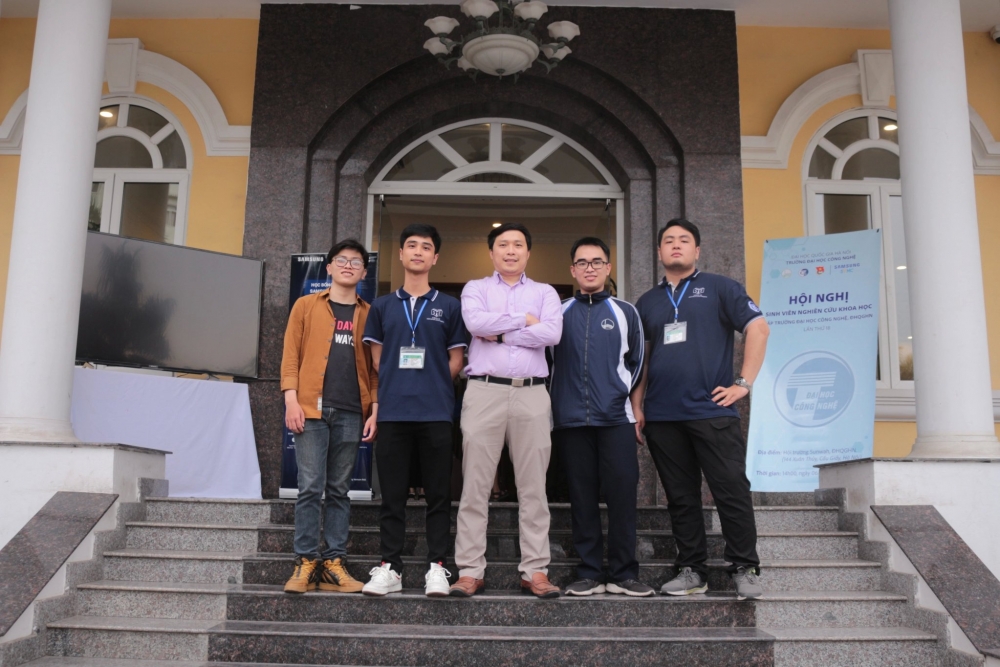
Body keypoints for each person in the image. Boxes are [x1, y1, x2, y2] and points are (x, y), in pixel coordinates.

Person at [631, 218, 770, 601]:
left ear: (697, 250)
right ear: (659, 251)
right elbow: (643, 359)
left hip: (712, 411)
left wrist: (743, 384)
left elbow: (758, 328)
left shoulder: (721, 288)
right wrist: (637, 405)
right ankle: (692, 570)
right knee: (681, 497)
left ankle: (745, 567)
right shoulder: (647, 302)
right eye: (668, 240)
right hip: (662, 416)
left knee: (731, 491)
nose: (676, 245)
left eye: (684, 240)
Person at [451, 222, 564, 599]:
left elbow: (552, 334)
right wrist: (525, 321)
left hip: (532, 394)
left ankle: (536, 571)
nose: (511, 250)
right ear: (491, 252)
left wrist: (498, 333)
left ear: (528, 252)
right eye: (503, 244)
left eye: (518, 244)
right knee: (475, 486)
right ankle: (470, 570)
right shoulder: (476, 288)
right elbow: (475, 323)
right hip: (484, 391)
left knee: (534, 488)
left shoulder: (545, 292)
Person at [361, 224, 468, 598]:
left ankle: (437, 567)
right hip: (393, 412)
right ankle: (390, 567)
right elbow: (378, 360)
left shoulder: (449, 306)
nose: (418, 252)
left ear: (435, 257)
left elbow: (456, 360)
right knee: (392, 496)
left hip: (436, 411)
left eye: (426, 247)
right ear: (401, 254)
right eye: (411, 245)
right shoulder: (381, 306)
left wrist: (431, 382)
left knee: (438, 495)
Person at [549, 237, 654, 597]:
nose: (589, 268)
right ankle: (589, 572)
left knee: (622, 495)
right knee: (582, 497)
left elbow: (638, 362)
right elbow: (546, 364)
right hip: (570, 420)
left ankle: (624, 573)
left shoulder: (626, 312)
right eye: (582, 262)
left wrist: (631, 404)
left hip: (616, 419)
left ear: (608, 268)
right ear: (572, 270)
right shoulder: (558, 312)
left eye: (597, 262)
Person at [280, 239, 378, 595]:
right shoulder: (306, 305)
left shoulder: (371, 313)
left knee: (339, 490)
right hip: (310, 409)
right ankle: (305, 562)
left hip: (352, 410)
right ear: (329, 267)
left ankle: (334, 563)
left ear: (364, 272)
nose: (348, 265)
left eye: (356, 262)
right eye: (342, 260)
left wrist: (375, 408)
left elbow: (375, 367)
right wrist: (291, 400)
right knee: (310, 487)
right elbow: (290, 355)